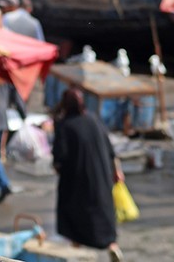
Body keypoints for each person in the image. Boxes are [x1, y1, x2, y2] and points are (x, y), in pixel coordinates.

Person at [52, 88, 124, 262]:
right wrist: (116, 171)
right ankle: (112, 246)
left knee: (75, 216)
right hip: (102, 176)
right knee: (103, 213)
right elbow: (110, 150)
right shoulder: (93, 119)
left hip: (76, 180)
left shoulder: (65, 125)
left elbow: (59, 158)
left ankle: (77, 251)